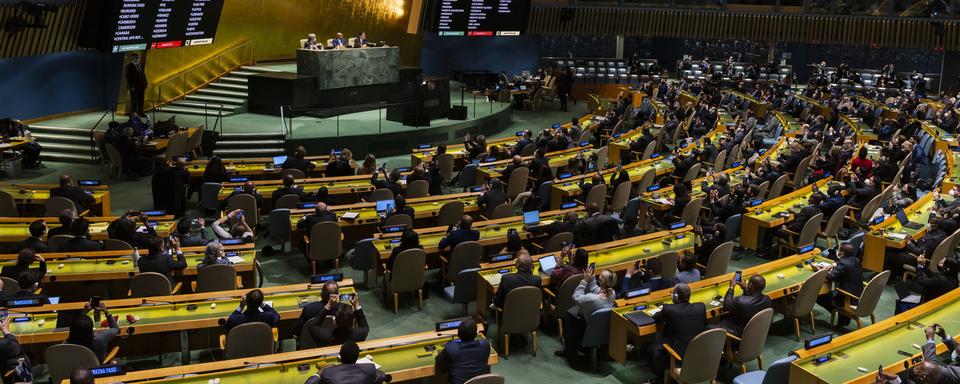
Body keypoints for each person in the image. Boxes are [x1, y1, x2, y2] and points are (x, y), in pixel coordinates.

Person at [648, 283, 707, 381]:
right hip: (697, 353)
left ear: (676, 296)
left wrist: (663, 309)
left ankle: (660, 378)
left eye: (672, 292)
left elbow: (656, 318)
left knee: (648, 349)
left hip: (678, 356)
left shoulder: (669, 309)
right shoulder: (700, 307)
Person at [559, 266, 617, 361]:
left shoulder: (592, 299)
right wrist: (592, 276)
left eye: (600, 276)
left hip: (589, 325)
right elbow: (596, 289)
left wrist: (585, 281)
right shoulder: (612, 293)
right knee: (573, 312)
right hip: (601, 326)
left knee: (569, 315)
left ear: (601, 281)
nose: (598, 277)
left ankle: (570, 352)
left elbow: (576, 296)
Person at [876, 325, 960, 384]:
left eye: (917, 368)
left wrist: (930, 339)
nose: (915, 368)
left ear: (923, 378)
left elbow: (934, 368)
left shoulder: (956, 374)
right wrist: (945, 337)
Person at [815, 243, 863, 329]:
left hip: (847, 298)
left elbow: (830, 276)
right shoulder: (856, 260)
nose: (837, 251)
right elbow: (844, 265)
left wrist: (819, 270)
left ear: (842, 254)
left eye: (838, 250)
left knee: (819, 296)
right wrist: (835, 265)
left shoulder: (843, 264)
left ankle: (840, 313)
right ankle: (843, 318)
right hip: (858, 295)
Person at [435, 318, 490, 384]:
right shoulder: (485, 345)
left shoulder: (451, 348)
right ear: (475, 334)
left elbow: (439, 364)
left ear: (459, 335)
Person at [305, 341, 388, 384]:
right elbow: (383, 376)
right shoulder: (369, 368)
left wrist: (319, 372)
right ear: (357, 356)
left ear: (340, 356)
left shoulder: (328, 372)